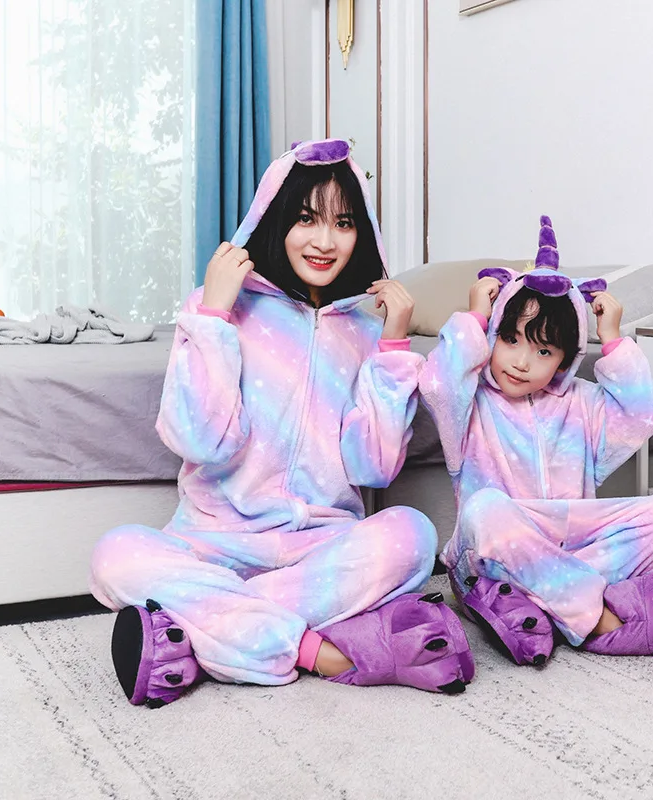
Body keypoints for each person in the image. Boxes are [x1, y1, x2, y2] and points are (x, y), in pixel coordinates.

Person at [90, 139, 474, 708]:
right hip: (212, 542)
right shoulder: (217, 308)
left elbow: (373, 467)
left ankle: (198, 632)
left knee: (414, 536)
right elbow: (199, 440)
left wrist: (394, 348)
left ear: (361, 232)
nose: (325, 241)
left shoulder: (365, 331)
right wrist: (214, 316)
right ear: (275, 218)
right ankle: (319, 651)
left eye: (343, 223)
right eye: (306, 219)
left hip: (318, 547)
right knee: (114, 554)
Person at [419, 215, 653, 666]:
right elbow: (438, 384)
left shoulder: (582, 400)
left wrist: (613, 340)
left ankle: (538, 603)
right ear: (492, 334)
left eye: (543, 350)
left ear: (564, 358)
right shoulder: (468, 397)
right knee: (484, 509)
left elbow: (644, 415)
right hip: (492, 555)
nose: (521, 362)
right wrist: (474, 316)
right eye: (510, 339)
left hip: (572, 544)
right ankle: (599, 618)